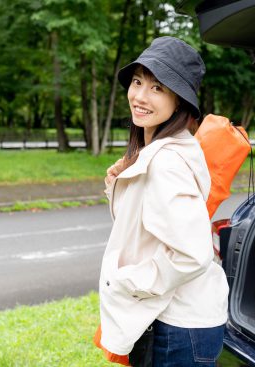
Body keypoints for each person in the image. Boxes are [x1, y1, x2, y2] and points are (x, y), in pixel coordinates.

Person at [96, 37, 229, 366]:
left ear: (179, 100)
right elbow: (152, 230)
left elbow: (192, 254)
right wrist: (122, 184)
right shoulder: (164, 149)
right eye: (138, 82)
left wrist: (129, 282)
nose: (139, 96)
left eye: (157, 88)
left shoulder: (165, 163)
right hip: (177, 321)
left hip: (178, 327)